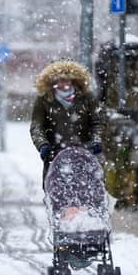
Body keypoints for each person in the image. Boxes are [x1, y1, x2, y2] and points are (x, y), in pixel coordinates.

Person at [30, 60, 103, 189]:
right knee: (57, 194)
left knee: (84, 192)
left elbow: (97, 122)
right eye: (59, 80)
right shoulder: (44, 99)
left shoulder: (88, 98)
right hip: (55, 155)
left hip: (84, 154)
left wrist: (96, 140)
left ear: (74, 80)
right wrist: (42, 144)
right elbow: (37, 126)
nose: (63, 84)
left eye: (66, 80)